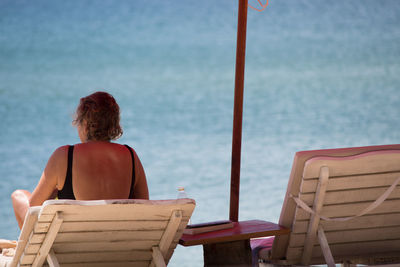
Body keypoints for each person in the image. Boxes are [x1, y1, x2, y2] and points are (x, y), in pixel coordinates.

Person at [11, 91, 149, 229]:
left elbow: (34, 208)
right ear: (114, 124)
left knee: (18, 196)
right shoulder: (131, 156)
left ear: (85, 123)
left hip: (71, 246)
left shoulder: (64, 155)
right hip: (116, 242)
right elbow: (145, 207)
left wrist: (53, 193)